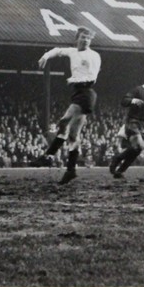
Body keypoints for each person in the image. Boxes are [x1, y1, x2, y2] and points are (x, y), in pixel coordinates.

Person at [32, 26, 101, 184]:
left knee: (64, 121)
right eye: (83, 37)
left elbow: (93, 77)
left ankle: (48, 156)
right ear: (77, 38)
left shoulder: (94, 55)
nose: (86, 40)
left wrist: (74, 80)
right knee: (73, 136)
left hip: (86, 93)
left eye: (88, 38)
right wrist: (45, 56)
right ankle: (71, 170)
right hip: (78, 93)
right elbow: (57, 50)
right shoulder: (72, 51)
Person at [109, 66, 144, 178]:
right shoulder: (138, 90)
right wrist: (132, 100)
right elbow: (123, 101)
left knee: (138, 149)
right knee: (139, 145)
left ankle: (120, 170)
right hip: (132, 121)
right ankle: (117, 159)